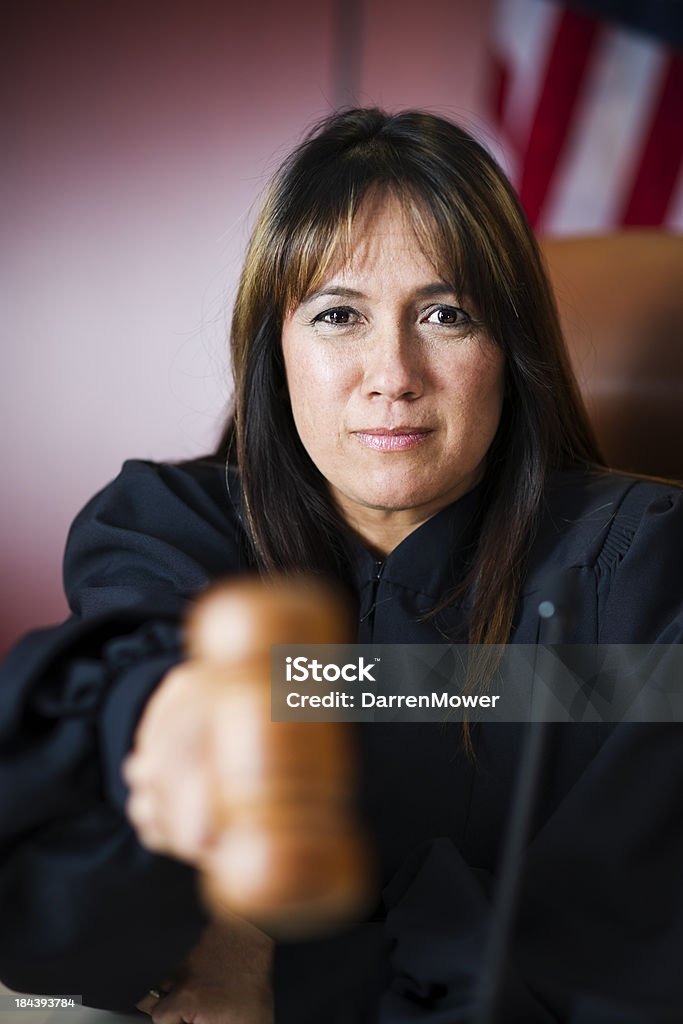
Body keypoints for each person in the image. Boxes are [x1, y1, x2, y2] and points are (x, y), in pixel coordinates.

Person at [1, 107, 682, 1024]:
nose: (391, 371)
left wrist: (260, 946)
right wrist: (174, 723)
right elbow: (108, 767)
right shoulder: (173, 524)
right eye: (337, 315)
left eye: (445, 314)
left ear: (509, 351)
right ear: (273, 350)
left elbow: (612, 942)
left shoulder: (643, 561)